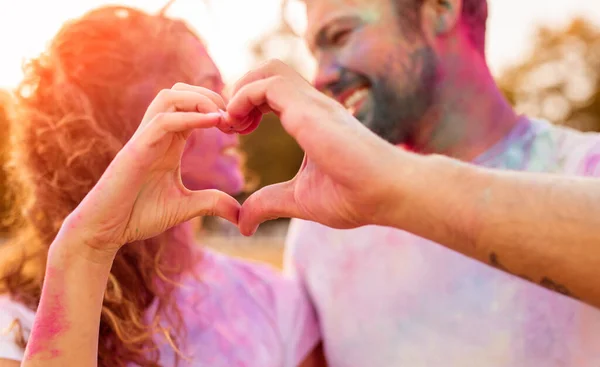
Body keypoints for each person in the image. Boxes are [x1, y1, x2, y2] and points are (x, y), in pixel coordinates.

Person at [225, 0, 600, 364]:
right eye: (314, 51)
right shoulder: (320, 233)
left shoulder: (584, 167)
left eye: (339, 35)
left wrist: (392, 184)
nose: (321, 76)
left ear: (440, 8)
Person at [0, 6, 324, 367]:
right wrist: (85, 251)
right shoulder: (16, 323)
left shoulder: (274, 298)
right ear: (135, 122)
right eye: (208, 87)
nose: (239, 108)